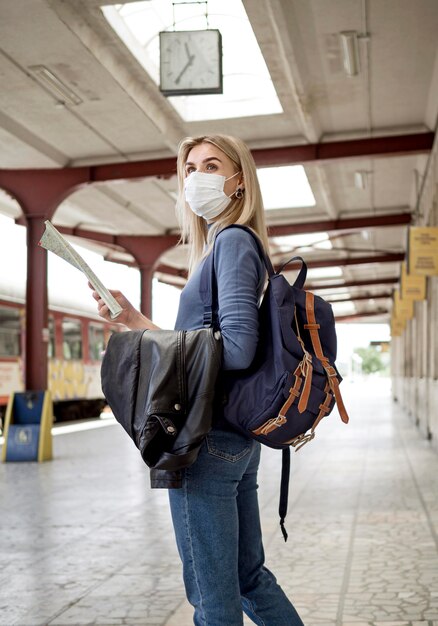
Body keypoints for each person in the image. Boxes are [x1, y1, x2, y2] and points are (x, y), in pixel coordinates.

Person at [91, 134, 304, 626]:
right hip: (232, 436)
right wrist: (137, 320)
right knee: (249, 579)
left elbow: (236, 348)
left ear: (237, 181)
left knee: (212, 597)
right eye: (189, 169)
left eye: (211, 166)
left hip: (206, 441)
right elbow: (202, 345)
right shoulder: (228, 246)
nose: (196, 177)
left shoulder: (231, 243)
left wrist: (152, 344)